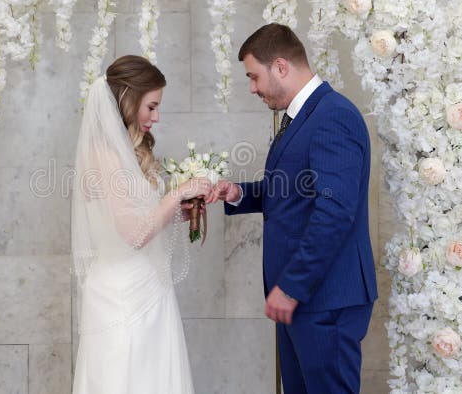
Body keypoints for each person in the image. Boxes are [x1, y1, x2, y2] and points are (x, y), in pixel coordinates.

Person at [206, 24, 378, 393]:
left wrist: (292, 287)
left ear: (280, 66)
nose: (252, 87)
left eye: (254, 76)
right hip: (303, 300)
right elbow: (296, 191)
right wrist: (238, 193)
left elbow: (334, 212)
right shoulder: (304, 116)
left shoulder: (333, 116)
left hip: (323, 300)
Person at [71, 55, 210, 394]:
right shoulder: (102, 155)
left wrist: (186, 209)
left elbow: (144, 219)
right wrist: (176, 193)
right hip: (120, 295)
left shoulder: (127, 153)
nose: (156, 117)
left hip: (149, 286)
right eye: (151, 106)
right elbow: (134, 234)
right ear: (127, 100)